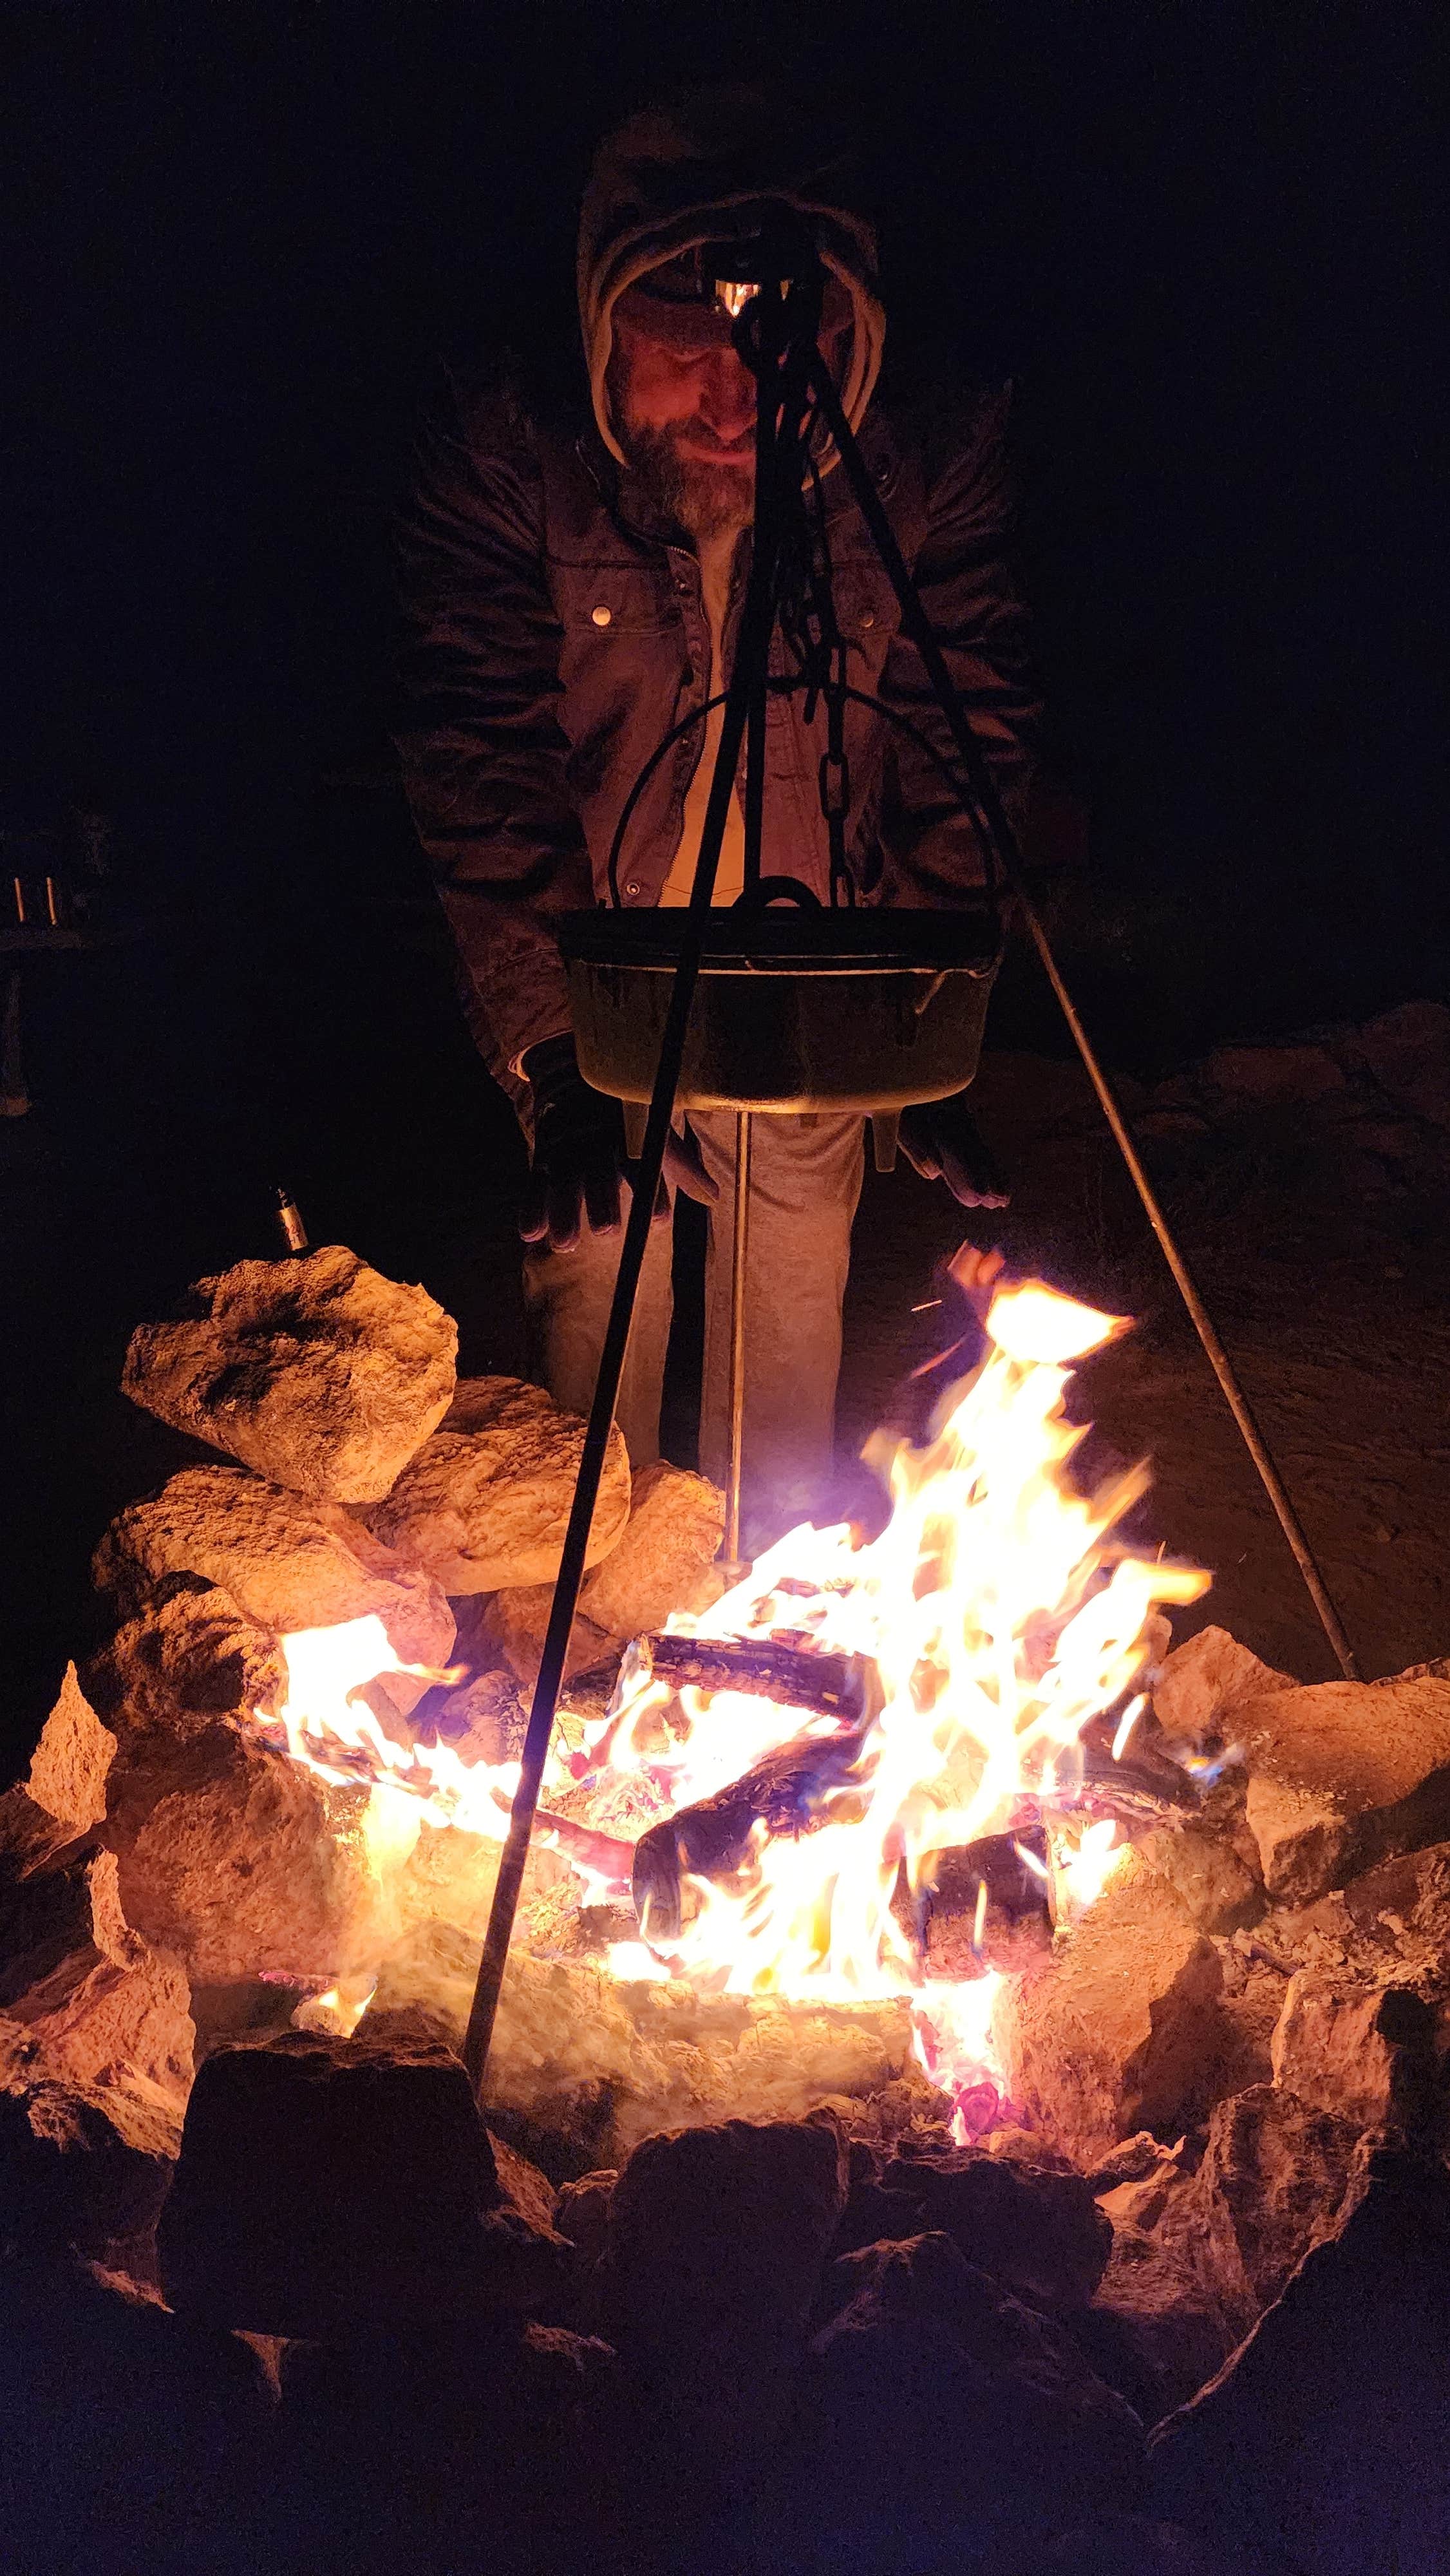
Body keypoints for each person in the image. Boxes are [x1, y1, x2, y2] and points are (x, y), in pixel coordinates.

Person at [395, 88, 1040, 1542]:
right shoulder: (518, 444)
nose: (736, 406)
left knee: (794, 1271)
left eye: (774, 358)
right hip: (603, 962)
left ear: (847, 330)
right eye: (684, 364)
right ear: (605, 328)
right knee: (600, 1259)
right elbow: (475, 743)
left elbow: (963, 727)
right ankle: (585, 1627)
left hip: (819, 962)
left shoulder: (918, 453)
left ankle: (757, 1625)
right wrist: (559, 1058)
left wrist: (925, 1012)